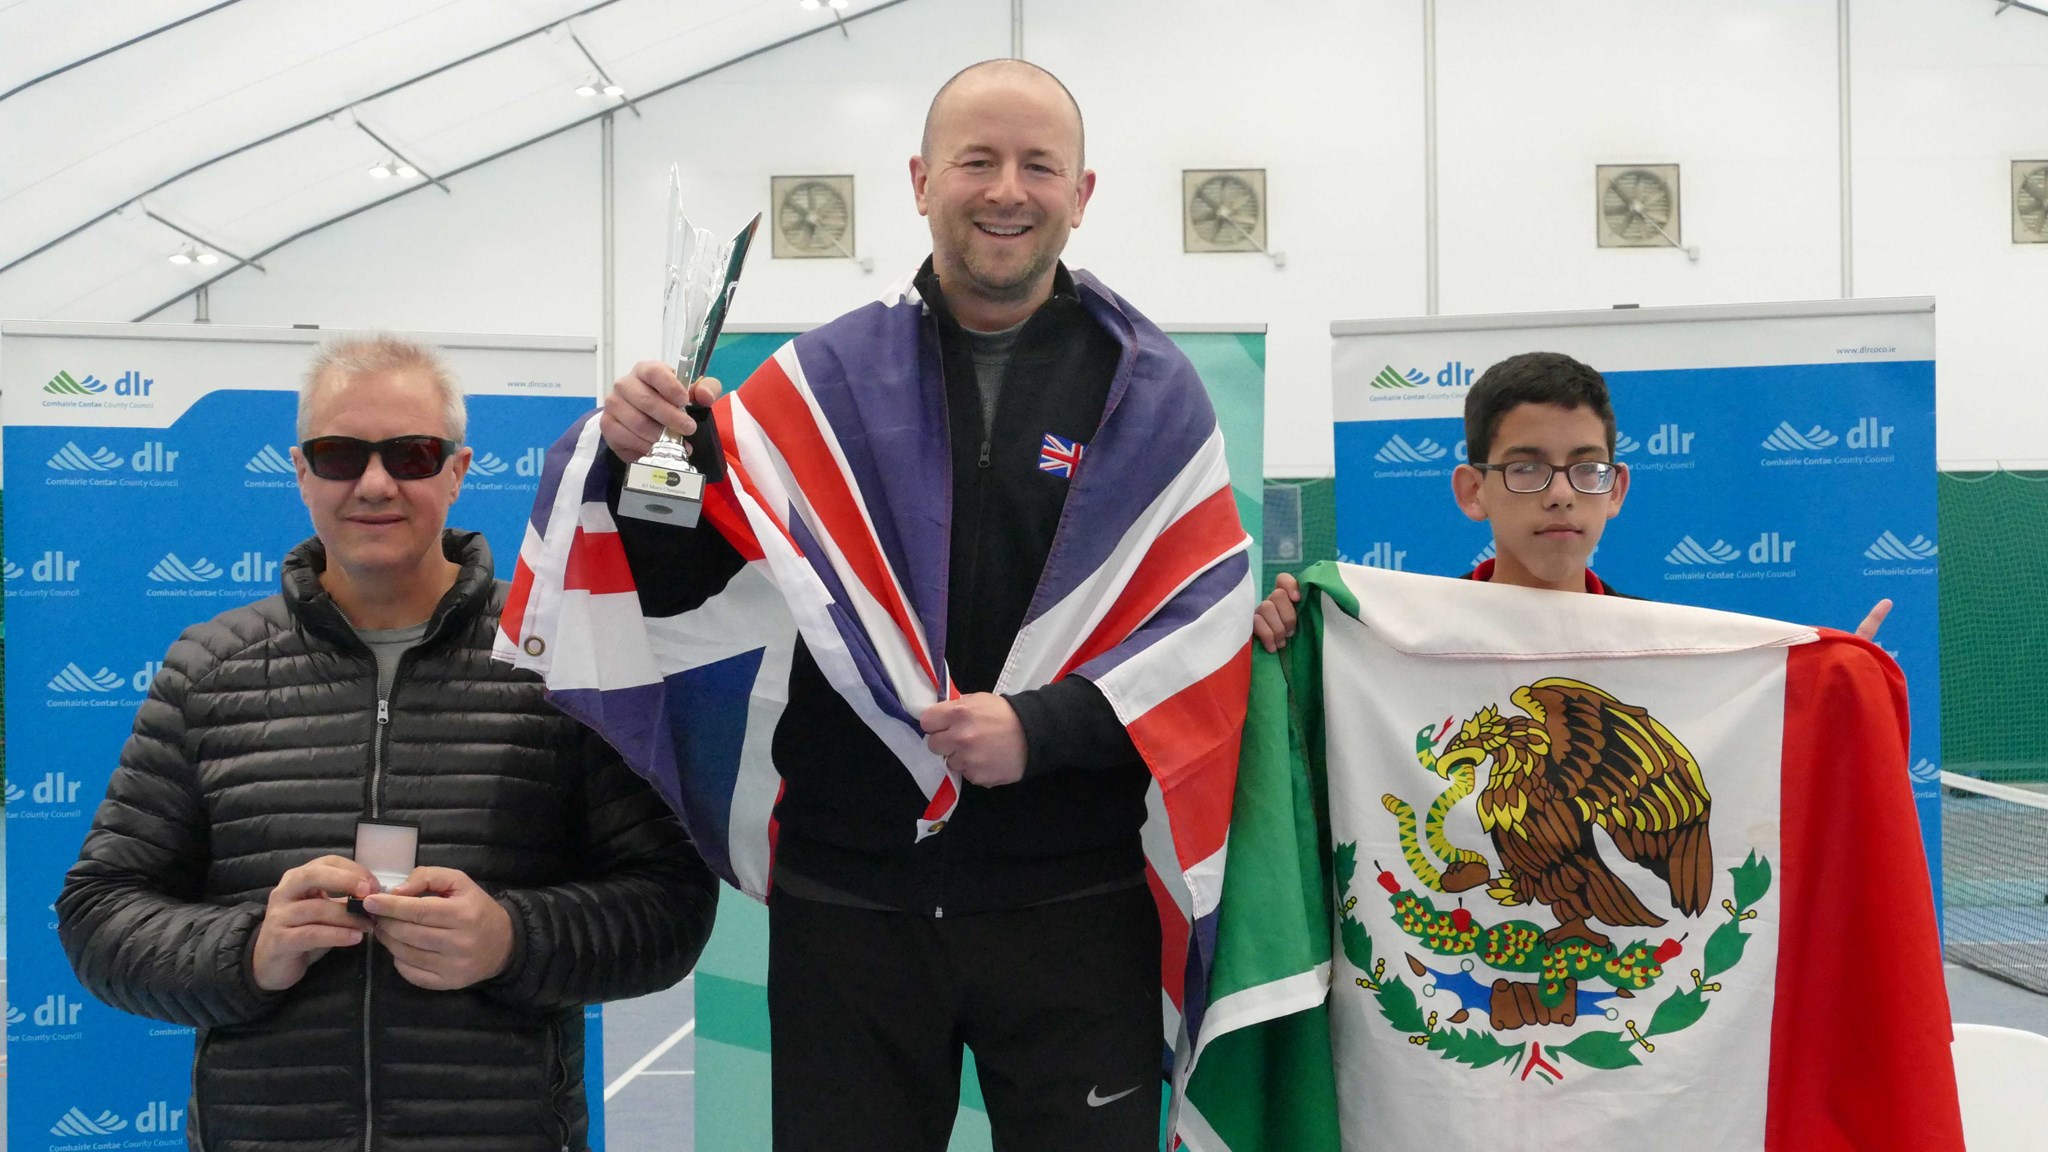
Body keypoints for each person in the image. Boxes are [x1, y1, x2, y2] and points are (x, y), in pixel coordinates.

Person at [590, 59, 1249, 1152]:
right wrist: (643, 463)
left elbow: (1196, 638)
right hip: (850, 908)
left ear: (1081, 194)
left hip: (1070, 906)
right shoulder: (817, 380)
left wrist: (1039, 732)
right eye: (975, 161)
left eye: (1038, 165)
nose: (1006, 190)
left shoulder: (1151, 390)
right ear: (920, 180)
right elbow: (684, 586)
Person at [57, 335, 719, 1152]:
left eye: (409, 454)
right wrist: (251, 948)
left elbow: (669, 910)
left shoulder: (558, 660)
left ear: (457, 470)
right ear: (300, 472)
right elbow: (98, 915)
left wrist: (510, 939)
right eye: (340, 455)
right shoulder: (209, 671)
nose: (374, 484)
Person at [1254, 351, 1892, 645]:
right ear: (1473, 491)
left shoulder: (1666, 647)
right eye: (1527, 470)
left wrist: (1841, 687)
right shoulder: (1396, 643)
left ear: (1614, 490)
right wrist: (1286, 651)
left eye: (1585, 470)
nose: (1561, 496)